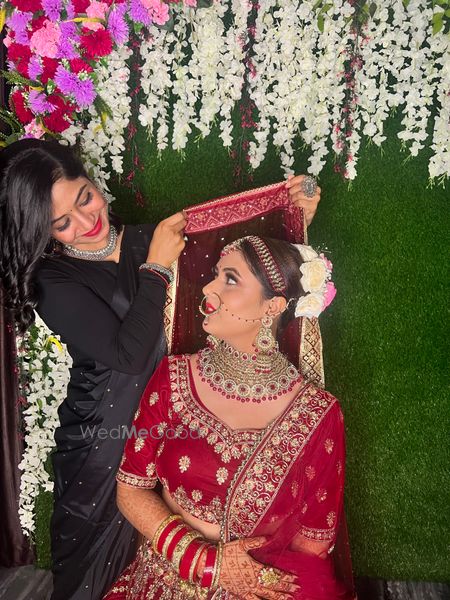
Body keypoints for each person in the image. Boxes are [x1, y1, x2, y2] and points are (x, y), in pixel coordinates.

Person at [0, 139, 320, 600]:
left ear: (90, 179)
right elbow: (127, 354)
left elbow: (243, 274)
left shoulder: (152, 238)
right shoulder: (55, 280)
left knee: (172, 564)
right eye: (62, 222)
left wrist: (293, 216)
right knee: (94, 577)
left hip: (172, 425)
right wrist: (155, 266)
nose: (87, 223)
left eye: (85, 198)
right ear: (43, 232)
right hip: (103, 439)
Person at [103, 235, 354, 600]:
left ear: (273, 306)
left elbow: (313, 540)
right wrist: (208, 563)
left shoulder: (318, 414)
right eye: (215, 275)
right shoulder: (174, 378)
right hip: (163, 583)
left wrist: (254, 583)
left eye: (230, 279)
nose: (208, 288)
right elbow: (130, 488)